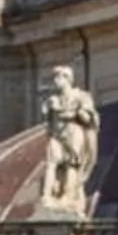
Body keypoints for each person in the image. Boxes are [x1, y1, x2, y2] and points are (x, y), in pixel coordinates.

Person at [40, 65, 99, 217]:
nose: (55, 81)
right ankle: (46, 197)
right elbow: (46, 120)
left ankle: (68, 196)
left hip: (74, 132)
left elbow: (89, 118)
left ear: (67, 79)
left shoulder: (81, 96)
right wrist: (48, 109)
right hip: (56, 134)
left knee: (71, 164)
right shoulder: (53, 99)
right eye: (54, 78)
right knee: (51, 162)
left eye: (58, 77)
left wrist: (74, 113)